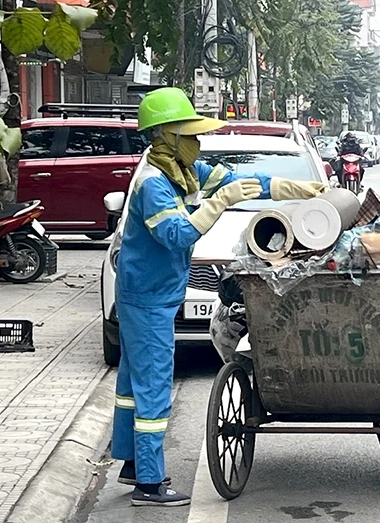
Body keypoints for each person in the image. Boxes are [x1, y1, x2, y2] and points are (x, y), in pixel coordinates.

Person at [112, 88, 325, 507]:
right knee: (153, 385)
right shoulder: (154, 184)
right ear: (166, 138)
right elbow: (177, 236)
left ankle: (133, 463)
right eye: (189, 135)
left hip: (154, 292)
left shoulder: (184, 173)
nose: (198, 142)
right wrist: (220, 203)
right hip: (146, 297)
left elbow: (241, 183)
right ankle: (150, 484)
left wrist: (298, 190)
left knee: (131, 385)